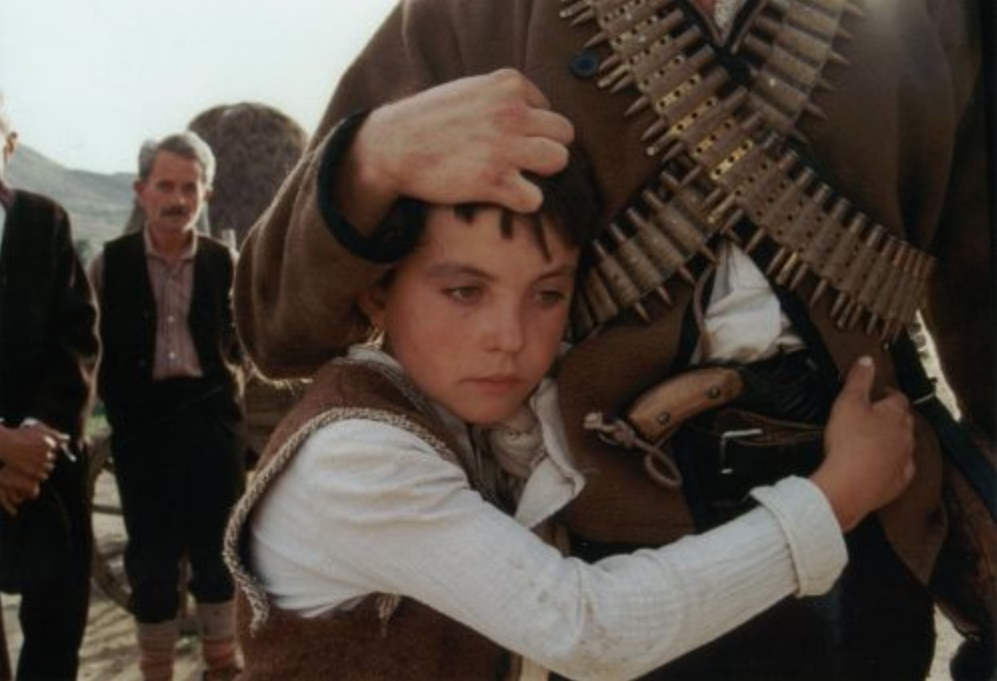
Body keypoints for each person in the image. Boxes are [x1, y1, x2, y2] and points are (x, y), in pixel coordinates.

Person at [234, 0, 993, 678]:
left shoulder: (934, 15)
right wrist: (371, 157)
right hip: (611, 535)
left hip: (875, 517)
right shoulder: (473, 13)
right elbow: (273, 328)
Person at [225, 153, 915, 680]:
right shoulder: (357, 458)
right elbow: (591, 629)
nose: (509, 336)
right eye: (464, 291)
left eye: (547, 294)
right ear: (378, 295)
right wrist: (833, 501)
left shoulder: (459, 417)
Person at [89, 132, 245, 681]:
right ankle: (156, 670)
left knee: (218, 552)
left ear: (206, 194)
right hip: (143, 430)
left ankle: (222, 666)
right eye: (165, 186)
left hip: (211, 426)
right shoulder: (110, 265)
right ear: (142, 191)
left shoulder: (226, 263)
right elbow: (89, 349)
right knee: (151, 559)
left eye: (189, 187)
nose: (177, 199)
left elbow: (246, 344)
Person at [0, 94, 100, 680]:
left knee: (57, 628)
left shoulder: (45, 223)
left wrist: (31, 444)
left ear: (10, 145)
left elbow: (77, 340)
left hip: (47, 461)